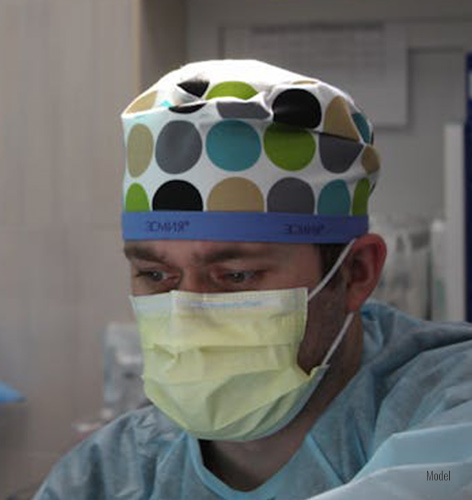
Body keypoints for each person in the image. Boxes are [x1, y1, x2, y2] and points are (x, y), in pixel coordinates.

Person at [34, 60, 472, 499]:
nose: (188, 314)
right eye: (156, 275)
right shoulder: (110, 475)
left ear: (355, 273)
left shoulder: (451, 402)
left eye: (236, 275)